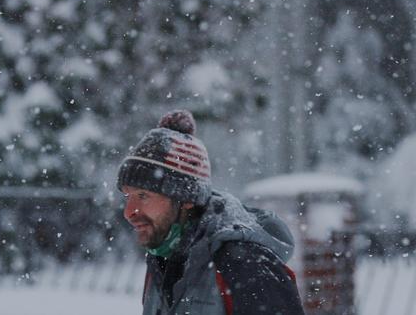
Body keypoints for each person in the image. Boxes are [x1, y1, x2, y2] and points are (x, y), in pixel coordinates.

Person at [117, 109, 306, 315]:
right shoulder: (163, 259)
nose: (129, 212)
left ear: (186, 199)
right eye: (128, 196)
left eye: (143, 195)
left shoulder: (245, 267)